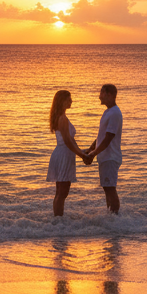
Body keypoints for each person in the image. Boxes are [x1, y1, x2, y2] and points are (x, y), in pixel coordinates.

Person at [46, 90, 90, 217]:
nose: (71, 101)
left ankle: (58, 219)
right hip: (64, 154)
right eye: (69, 99)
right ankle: (58, 220)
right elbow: (67, 141)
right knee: (62, 192)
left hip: (62, 153)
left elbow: (71, 140)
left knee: (60, 191)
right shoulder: (62, 119)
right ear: (62, 101)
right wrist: (82, 155)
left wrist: (82, 151)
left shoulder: (60, 117)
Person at [85, 83, 122, 213]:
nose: (99, 96)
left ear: (110, 95)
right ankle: (110, 217)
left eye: (101, 93)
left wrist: (93, 154)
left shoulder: (115, 113)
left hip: (110, 157)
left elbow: (108, 138)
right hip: (105, 157)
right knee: (107, 188)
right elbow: (101, 136)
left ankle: (114, 218)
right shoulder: (108, 112)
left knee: (110, 188)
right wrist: (90, 149)